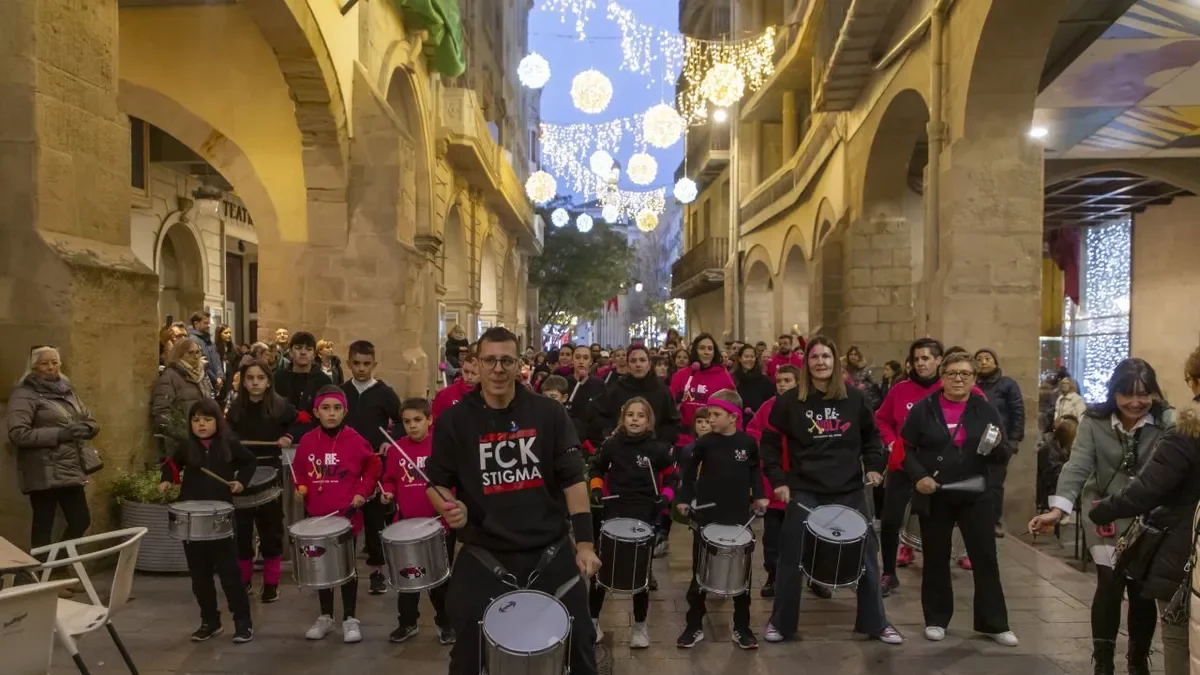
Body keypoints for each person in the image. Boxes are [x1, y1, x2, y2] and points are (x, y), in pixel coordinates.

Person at [425, 326, 599, 675]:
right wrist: (447, 506)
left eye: (506, 360)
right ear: (477, 363)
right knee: (467, 653)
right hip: (483, 552)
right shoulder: (454, 421)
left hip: (549, 549)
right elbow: (435, 483)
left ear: (519, 364)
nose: (498, 369)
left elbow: (573, 481)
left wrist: (584, 544)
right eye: (490, 360)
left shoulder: (549, 414)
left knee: (581, 643)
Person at [1029, 358, 1175, 675]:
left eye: (1143, 394)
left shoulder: (1166, 421)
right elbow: (1077, 466)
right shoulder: (1095, 421)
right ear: (1114, 393)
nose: (1135, 402)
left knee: (1141, 590)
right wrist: (1057, 509)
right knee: (1109, 583)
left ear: (1154, 393)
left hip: (1148, 518)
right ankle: (1103, 662)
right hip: (1105, 515)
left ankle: (1138, 661)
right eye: (1127, 394)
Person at [760, 337, 901, 646]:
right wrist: (778, 480)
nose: (820, 362)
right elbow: (769, 444)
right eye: (814, 357)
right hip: (804, 489)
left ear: (835, 361)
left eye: (826, 356)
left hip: (849, 489)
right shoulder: (789, 401)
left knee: (868, 555)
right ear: (806, 363)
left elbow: (872, 437)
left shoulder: (855, 398)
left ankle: (876, 623)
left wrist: (874, 466)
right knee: (791, 556)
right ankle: (781, 622)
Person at [1087, 346, 1200, 675]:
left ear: (1193, 380)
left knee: (1179, 632)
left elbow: (1147, 490)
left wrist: (1102, 511)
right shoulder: (1094, 422)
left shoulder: (1185, 432)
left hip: (1185, 545)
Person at [901, 352, 1015, 646]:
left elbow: (1002, 453)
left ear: (974, 378)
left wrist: (997, 448)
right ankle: (936, 619)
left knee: (985, 557)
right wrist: (919, 476)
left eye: (965, 374)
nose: (958, 379)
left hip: (975, 493)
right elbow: (906, 449)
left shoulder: (985, 410)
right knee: (936, 557)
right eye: (952, 373)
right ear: (942, 377)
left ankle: (994, 623)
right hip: (935, 493)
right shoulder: (925, 408)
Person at [675, 388, 768, 649]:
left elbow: (755, 472)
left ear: (734, 416)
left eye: (716, 414)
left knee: (742, 575)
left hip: (738, 516)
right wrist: (684, 498)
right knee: (699, 573)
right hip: (707, 516)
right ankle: (693, 625)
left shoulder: (748, 444)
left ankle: (742, 627)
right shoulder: (704, 443)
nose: (710, 420)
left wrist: (759, 496)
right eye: (709, 414)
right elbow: (688, 474)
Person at [158, 398, 255, 643]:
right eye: (196, 420)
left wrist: (241, 482)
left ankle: (243, 622)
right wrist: (167, 479)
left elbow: (249, 461)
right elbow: (171, 465)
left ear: (218, 422)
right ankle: (210, 621)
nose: (201, 424)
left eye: (207, 419)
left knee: (230, 574)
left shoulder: (229, 443)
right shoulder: (186, 447)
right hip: (192, 518)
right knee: (200, 575)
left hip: (221, 517)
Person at [292, 386, 383, 643]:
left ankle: (350, 618)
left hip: (346, 517)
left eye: (337, 408)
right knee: (321, 568)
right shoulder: (308, 441)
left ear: (345, 411)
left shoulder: (355, 439)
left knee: (346, 568)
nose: (331, 414)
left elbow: (374, 465)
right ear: (316, 412)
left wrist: (362, 493)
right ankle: (326, 616)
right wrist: (299, 487)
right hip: (317, 518)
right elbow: (298, 469)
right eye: (325, 408)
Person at [587, 397, 674, 648]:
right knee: (601, 570)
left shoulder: (657, 449)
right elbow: (596, 467)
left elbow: (673, 477)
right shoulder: (612, 445)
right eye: (630, 415)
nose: (635, 419)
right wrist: (596, 488)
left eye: (640, 415)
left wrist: (665, 497)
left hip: (643, 514)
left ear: (649, 421)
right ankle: (592, 621)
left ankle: (640, 627)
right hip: (614, 511)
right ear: (623, 418)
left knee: (640, 574)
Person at [380, 397, 456, 645]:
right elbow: (390, 479)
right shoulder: (396, 449)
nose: (412, 426)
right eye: (406, 421)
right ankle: (407, 622)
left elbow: (453, 481)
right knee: (407, 577)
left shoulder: (441, 447)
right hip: (407, 525)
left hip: (438, 525)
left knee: (440, 580)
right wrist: (388, 492)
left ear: (430, 420)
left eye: (417, 420)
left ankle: (445, 622)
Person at [6, 346, 97, 551]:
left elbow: (87, 417)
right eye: (44, 363)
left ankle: (58, 563)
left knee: (80, 520)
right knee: (43, 525)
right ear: (34, 367)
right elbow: (18, 433)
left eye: (54, 362)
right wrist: (60, 434)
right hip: (43, 470)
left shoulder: (67, 391)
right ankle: (41, 567)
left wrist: (89, 428)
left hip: (69, 468)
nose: (50, 367)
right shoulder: (24, 394)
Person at [224, 361, 299, 603]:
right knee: (242, 531)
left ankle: (271, 584)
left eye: (260, 378)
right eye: (250, 378)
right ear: (243, 382)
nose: (255, 382)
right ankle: (244, 580)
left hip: (270, 471)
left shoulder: (282, 407)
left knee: (271, 531)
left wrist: (288, 436)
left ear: (268, 382)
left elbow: (302, 422)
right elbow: (226, 434)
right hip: (242, 474)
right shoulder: (235, 410)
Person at [875, 338, 945, 589]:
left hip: (936, 467)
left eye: (926, 358)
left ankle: (936, 573)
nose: (920, 364)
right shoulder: (900, 390)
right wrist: (891, 441)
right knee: (890, 520)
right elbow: (881, 419)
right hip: (902, 463)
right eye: (916, 359)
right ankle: (889, 573)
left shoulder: (949, 387)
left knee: (935, 522)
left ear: (938, 360)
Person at [339, 340, 403, 596]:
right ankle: (345, 570)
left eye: (366, 364)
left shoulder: (384, 393)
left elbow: (400, 420)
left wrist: (391, 441)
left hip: (374, 465)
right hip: (346, 466)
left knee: (374, 521)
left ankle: (377, 572)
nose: (361, 368)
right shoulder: (341, 392)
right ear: (348, 364)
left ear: (374, 364)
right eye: (356, 363)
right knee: (346, 519)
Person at [745, 363, 801, 598]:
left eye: (788, 381)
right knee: (773, 535)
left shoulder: (805, 406)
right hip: (774, 481)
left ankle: (809, 575)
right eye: (779, 381)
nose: (782, 385)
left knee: (802, 534)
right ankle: (773, 575)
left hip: (800, 481)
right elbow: (753, 431)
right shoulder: (768, 407)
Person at [973, 348, 1025, 536]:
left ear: (995, 361)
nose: (983, 362)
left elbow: (1018, 412)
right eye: (979, 359)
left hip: (999, 443)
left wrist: (1014, 440)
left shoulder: (1007, 384)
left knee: (994, 483)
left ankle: (993, 521)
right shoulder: (972, 384)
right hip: (974, 442)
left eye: (987, 358)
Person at [588, 344, 681, 448]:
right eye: (633, 361)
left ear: (649, 364)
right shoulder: (617, 388)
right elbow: (599, 413)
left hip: (654, 448)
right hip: (622, 447)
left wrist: (662, 443)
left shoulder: (662, 390)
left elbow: (672, 421)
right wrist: (610, 432)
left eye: (642, 360)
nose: (638, 364)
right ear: (628, 365)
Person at [670, 334, 736, 449]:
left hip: (715, 439)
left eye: (710, 349)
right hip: (684, 439)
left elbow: (734, 409)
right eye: (702, 348)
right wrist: (677, 403)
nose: (706, 352)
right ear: (695, 351)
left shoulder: (723, 377)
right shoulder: (680, 376)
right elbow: (669, 408)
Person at [153, 338, 215, 459]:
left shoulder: (201, 375)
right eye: (190, 353)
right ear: (180, 355)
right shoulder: (170, 376)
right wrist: (181, 434)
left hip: (204, 439)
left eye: (198, 352)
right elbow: (161, 410)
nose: (196, 356)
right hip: (181, 444)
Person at [563, 347, 606, 443]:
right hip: (568, 437)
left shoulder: (599, 385)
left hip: (593, 439)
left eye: (585, 358)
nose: (581, 361)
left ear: (591, 361)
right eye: (578, 357)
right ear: (572, 360)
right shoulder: (564, 383)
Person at [431, 351, 479, 423]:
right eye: (466, 371)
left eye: (474, 373)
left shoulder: (490, 396)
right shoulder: (445, 395)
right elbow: (433, 423)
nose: (469, 377)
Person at [732, 345, 774, 421]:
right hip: (737, 420)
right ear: (740, 359)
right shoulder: (733, 379)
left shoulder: (764, 380)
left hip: (758, 421)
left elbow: (770, 402)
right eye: (746, 356)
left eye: (752, 357)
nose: (749, 359)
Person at [844, 345, 882, 411]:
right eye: (851, 354)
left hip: (863, 401)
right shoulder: (844, 369)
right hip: (848, 400)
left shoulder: (865, 369)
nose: (853, 357)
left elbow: (874, 385)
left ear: (859, 356)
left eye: (855, 354)